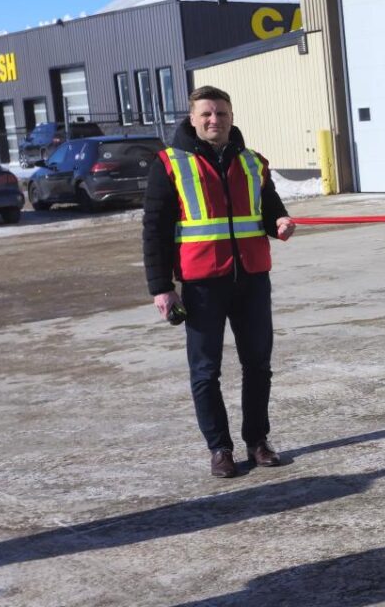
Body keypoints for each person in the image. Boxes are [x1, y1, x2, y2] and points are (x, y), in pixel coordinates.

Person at [143, 86, 295, 477]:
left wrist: (279, 221)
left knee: (258, 365)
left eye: (222, 114)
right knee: (206, 370)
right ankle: (219, 449)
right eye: (207, 114)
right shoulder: (169, 163)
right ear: (192, 119)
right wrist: (161, 286)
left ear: (231, 116)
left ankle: (257, 441)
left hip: (252, 279)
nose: (215, 120)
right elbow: (155, 229)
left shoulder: (252, 162)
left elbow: (269, 207)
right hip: (202, 284)